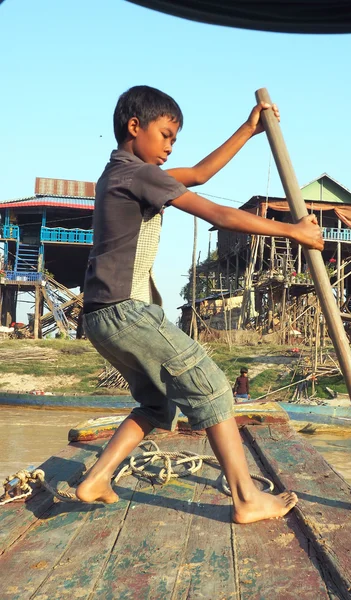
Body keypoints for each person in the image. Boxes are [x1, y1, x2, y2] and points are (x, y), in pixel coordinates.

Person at [76, 85, 324, 524]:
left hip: (100, 316)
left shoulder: (119, 172)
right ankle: (246, 498)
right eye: (166, 135)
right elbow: (218, 214)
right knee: (211, 387)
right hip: (125, 311)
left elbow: (202, 174)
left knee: (157, 406)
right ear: (135, 127)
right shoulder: (137, 173)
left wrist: (248, 130)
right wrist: (294, 233)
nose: (171, 146)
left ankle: (97, 478)